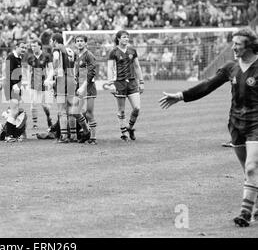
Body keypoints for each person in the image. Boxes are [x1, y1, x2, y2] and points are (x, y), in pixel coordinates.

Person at [159, 28, 258, 227]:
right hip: (236, 124)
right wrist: (181, 96)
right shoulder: (231, 67)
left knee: (251, 167)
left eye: (237, 44)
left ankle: (245, 214)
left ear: (249, 45)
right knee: (249, 171)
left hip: (256, 123)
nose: (233, 47)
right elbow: (207, 85)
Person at [46, 33, 88, 143]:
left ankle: (64, 136)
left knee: (62, 110)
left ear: (55, 41)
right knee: (71, 109)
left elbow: (55, 58)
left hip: (61, 81)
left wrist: (55, 70)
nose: (51, 43)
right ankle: (73, 135)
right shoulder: (70, 50)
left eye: (51, 41)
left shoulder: (56, 49)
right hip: (71, 80)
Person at [107, 30, 145, 141]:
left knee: (137, 108)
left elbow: (137, 67)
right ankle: (124, 133)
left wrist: (141, 82)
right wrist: (110, 84)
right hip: (119, 83)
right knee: (122, 110)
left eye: (127, 37)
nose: (126, 39)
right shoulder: (113, 52)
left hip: (132, 82)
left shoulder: (132, 50)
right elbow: (110, 68)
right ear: (118, 39)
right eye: (124, 37)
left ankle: (129, 128)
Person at [74, 34, 97, 144]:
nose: (79, 42)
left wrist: (83, 86)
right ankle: (86, 132)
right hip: (79, 87)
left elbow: (92, 72)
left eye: (81, 41)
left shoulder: (89, 55)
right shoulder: (78, 56)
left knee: (89, 113)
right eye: (77, 41)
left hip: (88, 88)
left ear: (85, 43)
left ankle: (93, 138)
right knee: (75, 111)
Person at [26, 38, 53, 131]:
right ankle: (35, 124)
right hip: (34, 83)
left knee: (44, 105)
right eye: (32, 46)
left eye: (34, 46)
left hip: (44, 83)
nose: (33, 48)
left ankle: (49, 120)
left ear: (39, 46)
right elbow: (29, 71)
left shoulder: (46, 55)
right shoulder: (30, 57)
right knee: (33, 104)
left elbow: (51, 69)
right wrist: (28, 83)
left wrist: (49, 79)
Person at [3, 41, 28, 142]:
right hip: (11, 86)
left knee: (16, 110)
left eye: (25, 48)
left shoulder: (19, 58)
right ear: (16, 47)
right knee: (14, 111)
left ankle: (12, 135)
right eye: (22, 47)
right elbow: (8, 72)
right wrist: (14, 85)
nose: (24, 49)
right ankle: (8, 136)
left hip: (16, 86)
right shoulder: (10, 57)